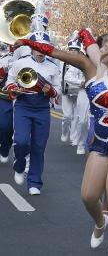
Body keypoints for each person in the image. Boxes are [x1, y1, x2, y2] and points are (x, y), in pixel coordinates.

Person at [16, 29, 108, 255]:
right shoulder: (98, 67)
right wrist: (26, 42)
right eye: (101, 46)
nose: (100, 47)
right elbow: (56, 52)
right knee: (88, 196)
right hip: (101, 136)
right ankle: (99, 222)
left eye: (106, 47)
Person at [6, 27, 61, 195]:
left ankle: (34, 181)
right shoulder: (19, 63)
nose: (40, 51)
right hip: (23, 105)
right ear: (31, 47)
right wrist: (14, 88)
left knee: (39, 146)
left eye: (44, 47)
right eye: (37, 47)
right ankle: (20, 164)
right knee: (21, 141)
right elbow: (9, 83)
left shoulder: (53, 67)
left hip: (42, 108)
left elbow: (58, 91)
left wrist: (50, 91)